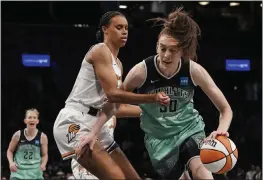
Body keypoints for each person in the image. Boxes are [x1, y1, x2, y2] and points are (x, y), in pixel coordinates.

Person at [117, 7, 232, 179]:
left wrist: (221, 130)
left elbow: (226, 110)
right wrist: (146, 109)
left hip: (189, 129)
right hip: (159, 140)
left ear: (183, 52)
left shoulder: (193, 70)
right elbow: (116, 106)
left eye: (173, 50)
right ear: (157, 45)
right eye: (162, 48)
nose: (166, 55)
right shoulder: (141, 72)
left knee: (202, 173)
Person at [53, 11, 170, 180]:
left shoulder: (119, 65)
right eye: (119, 27)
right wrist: (152, 98)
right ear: (105, 29)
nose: (125, 32)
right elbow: (113, 95)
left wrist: (152, 111)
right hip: (75, 121)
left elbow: (116, 107)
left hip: (96, 125)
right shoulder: (100, 50)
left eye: (127, 28)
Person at [7, 108, 48, 180]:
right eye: (29, 117)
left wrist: (43, 164)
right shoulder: (18, 135)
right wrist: (11, 163)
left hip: (35, 173)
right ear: (25, 121)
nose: (32, 119)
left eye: (34, 117)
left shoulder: (42, 136)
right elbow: (10, 151)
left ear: (37, 121)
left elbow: (45, 155)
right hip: (18, 173)